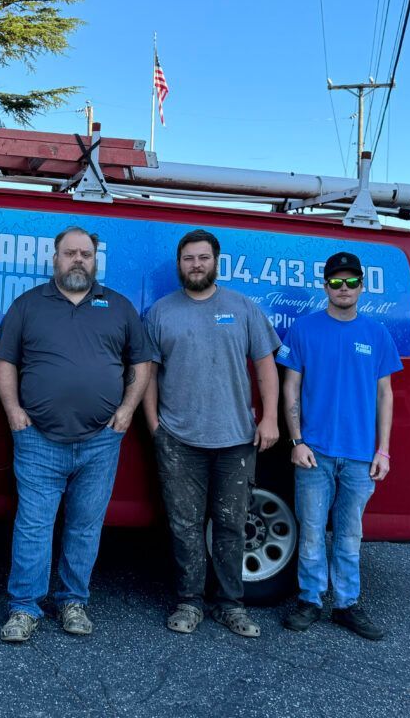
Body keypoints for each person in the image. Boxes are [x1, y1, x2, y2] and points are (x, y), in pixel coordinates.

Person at [0, 226, 154, 642]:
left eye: (86, 253)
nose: (78, 259)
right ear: (55, 258)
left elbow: (141, 363)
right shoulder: (29, 305)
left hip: (101, 441)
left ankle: (72, 602)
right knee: (34, 526)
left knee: (85, 526)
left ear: (95, 259)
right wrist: (12, 410)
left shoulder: (118, 306)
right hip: (38, 439)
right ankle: (24, 608)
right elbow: (5, 361)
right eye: (70, 253)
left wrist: (126, 411)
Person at [142, 229, 280, 638]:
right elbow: (147, 373)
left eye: (203, 257)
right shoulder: (161, 312)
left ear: (216, 262)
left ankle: (230, 605)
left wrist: (269, 417)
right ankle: (189, 602)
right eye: (188, 258)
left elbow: (266, 366)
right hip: (179, 440)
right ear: (179, 264)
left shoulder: (243, 308)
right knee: (184, 526)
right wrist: (153, 424)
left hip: (236, 438)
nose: (196, 265)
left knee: (231, 524)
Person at [276, 251, 402, 640]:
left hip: (362, 457)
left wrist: (383, 450)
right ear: (325, 286)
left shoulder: (377, 333)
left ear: (361, 287)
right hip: (314, 452)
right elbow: (290, 386)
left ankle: (347, 605)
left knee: (350, 535)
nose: (343, 288)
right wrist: (296, 441)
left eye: (350, 282)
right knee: (311, 532)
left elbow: (386, 395)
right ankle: (310, 600)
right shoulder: (303, 329)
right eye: (335, 282)